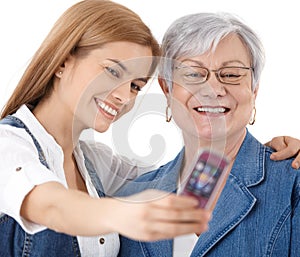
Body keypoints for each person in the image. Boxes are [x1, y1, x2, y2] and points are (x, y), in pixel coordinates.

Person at [0, 1, 214, 256]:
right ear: (62, 62)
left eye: (135, 85)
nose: (125, 95)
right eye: (113, 71)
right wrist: (123, 213)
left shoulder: (96, 163)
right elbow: (53, 207)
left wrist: (257, 152)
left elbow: (181, 178)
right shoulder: (8, 145)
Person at [117, 12, 300, 257]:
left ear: (254, 89)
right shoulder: (133, 196)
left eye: (232, 74)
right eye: (193, 74)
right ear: (166, 88)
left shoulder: (292, 185)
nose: (213, 89)